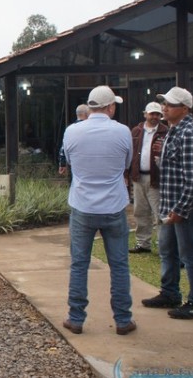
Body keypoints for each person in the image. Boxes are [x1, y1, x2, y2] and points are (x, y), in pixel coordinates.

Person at [62, 85, 135, 335]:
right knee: (120, 265)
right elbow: (126, 163)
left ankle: (76, 317)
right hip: (114, 205)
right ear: (111, 107)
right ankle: (123, 320)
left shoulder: (72, 132)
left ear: (91, 106)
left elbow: (70, 162)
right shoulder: (123, 132)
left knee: (79, 264)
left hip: (83, 205)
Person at [141, 87, 193, 320]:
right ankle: (170, 292)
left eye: (170, 105)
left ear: (184, 109)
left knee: (191, 254)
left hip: (187, 207)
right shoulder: (173, 130)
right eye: (164, 103)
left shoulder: (190, 133)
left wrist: (180, 211)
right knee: (167, 249)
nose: (164, 108)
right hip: (171, 203)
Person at [127, 102, 168, 254]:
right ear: (145, 114)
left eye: (157, 114)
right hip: (138, 177)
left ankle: (163, 245)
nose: (154, 117)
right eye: (152, 114)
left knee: (159, 214)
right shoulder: (136, 131)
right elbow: (130, 153)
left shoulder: (166, 132)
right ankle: (143, 243)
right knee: (140, 211)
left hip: (156, 179)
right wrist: (128, 174)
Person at [58, 104, 89, 175]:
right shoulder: (90, 128)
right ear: (86, 114)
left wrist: (62, 164)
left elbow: (63, 148)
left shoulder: (69, 129)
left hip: (74, 163)